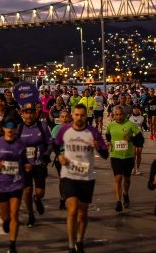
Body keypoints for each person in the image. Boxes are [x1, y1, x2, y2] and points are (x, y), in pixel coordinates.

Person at [54, 103, 109, 253]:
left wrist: (97, 146)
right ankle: (71, 245)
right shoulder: (65, 129)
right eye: (76, 115)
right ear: (72, 115)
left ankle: (79, 240)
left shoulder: (93, 132)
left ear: (86, 116)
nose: (79, 118)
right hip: (69, 175)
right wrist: (59, 156)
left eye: (82, 115)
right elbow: (54, 144)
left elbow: (105, 154)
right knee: (72, 210)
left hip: (86, 177)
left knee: (82, 214)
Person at [0, 119, 31, 253]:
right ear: (3, 129)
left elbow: (25, 160)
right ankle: (6, 221)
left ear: (16, 130)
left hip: (17, 182)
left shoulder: (20, 144)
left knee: (15, 214)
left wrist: (27, 165)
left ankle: (12, 245)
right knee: (6, 216)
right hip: (2, 184)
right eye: (7, 127)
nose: (10, 130)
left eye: (12, 127)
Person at [17, 102, 54, 227]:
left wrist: (47, 154)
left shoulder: (42, 126)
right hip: (25, 165)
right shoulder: (19, 128)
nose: (29, 116)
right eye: (26, 114)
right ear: (22, 115)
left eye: (31, 113)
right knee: (27, 191)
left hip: (39, 164)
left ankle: (37, 199)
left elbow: (50, 143)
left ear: (34, 114)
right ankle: (31, 215)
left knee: (40, 192)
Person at [105, 105, 145, 212]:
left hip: (128, 156)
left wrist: (131, 139)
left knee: (126, 180)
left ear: (124, 114)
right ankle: (118, 202)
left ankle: (125, 194)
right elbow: (107, 134)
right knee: (118, 179)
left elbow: (140, 139)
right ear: (113, 115)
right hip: (115, 156)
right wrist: (108, 141)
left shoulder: (130, 124)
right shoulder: (110, 125)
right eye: (116, 114)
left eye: (121, 114)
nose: (119, 116)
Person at [50, 109, 72, 210]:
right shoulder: (56, 128)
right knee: (63, 179)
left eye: (66, 116)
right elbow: (54, 145)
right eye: (62, 117)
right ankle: (63, 198)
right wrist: (58, 155)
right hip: (61, 158)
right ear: (59, 118)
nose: (64, 119)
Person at [128, 105, 146, 174]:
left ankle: (138, 169)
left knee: (139, 153)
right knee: (133, 153)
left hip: (140, 137)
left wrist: (145, 127)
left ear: (139, 110)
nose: (135, 110)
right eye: (134, 109)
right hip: (132, 137)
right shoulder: (129, 118)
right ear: (132, 110)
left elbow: (145, 126)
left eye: (137, 109)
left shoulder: (142, 118)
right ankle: (133, 168)